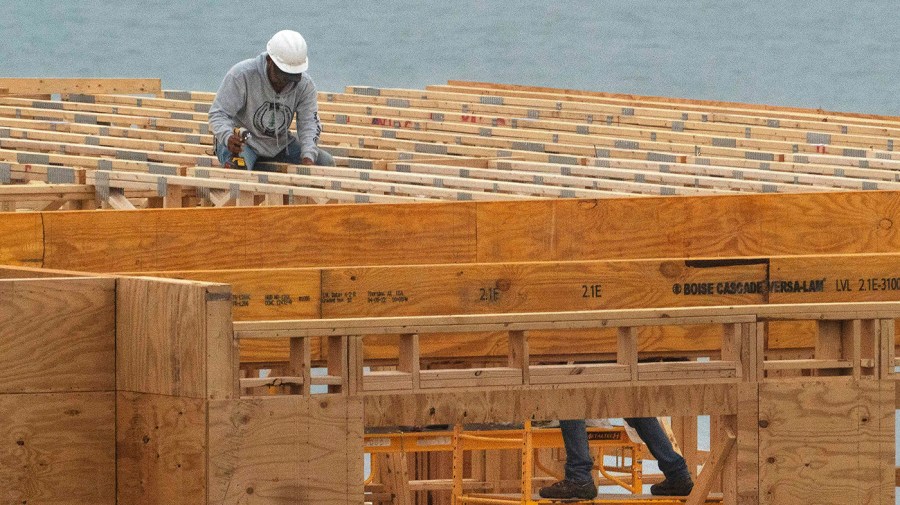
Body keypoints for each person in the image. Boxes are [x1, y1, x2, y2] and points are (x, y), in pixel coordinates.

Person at [209, 30, 335, 171]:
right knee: (238, 171)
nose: (285, 82)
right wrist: (227, 136)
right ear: (270, 61)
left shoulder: (304, 85)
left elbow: (308, 123)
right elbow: (218, 114)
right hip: (244, 144)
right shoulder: (241, 75)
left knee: (325, 164)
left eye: (292, 77)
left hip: (279, 146)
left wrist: (308, 157)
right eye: (283, 75)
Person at [539, 418, 694, 500]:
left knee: (570, 400)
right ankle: (677, 474)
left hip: (599, 367)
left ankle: (579, 477)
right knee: (635, 404)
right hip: (630, 367)